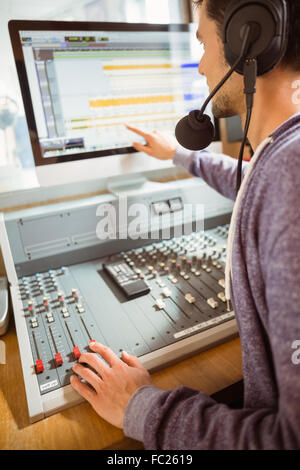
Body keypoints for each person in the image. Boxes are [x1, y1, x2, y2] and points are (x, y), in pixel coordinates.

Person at [70, 0, 300, 449]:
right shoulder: (282, 159)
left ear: (245, 39)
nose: (199, 67)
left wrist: (141, 406)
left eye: (203, 44)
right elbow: (249, 181)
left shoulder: (291, 179)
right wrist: (177, 154)